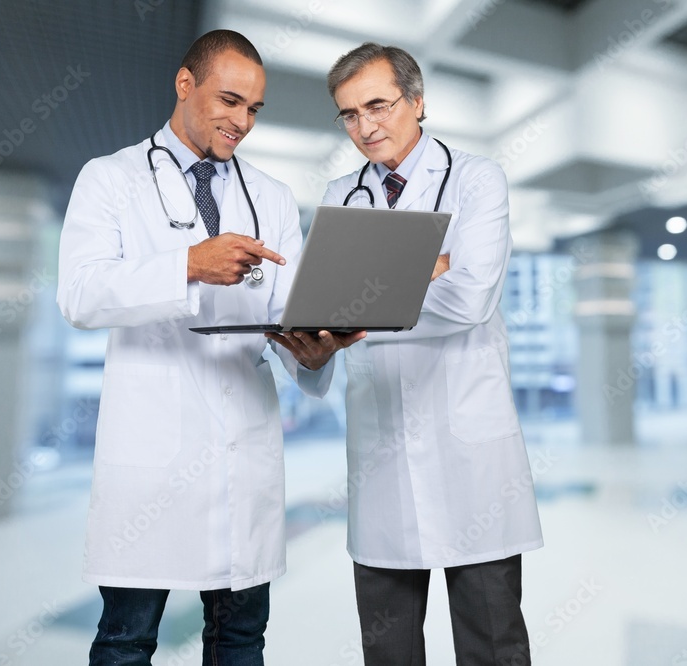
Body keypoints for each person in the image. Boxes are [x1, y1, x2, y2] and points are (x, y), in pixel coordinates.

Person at [57, 30, 362, 666]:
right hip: (152, 451)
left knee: (240, 639)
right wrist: (187, 265)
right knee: (126, 640)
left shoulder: (272, 197)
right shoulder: (110, 178)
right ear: (184, 84)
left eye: (253, 109)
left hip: (241, 451)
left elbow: (284, 316)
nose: (241, 122)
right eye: (229, 101)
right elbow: (80, 295)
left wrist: (314, 350)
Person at [315, 42, 544, 665]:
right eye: (350, 114)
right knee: (387, 651)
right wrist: (428, 265)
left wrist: (367, 296)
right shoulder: (341, 193)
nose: (365, 127)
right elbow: (329, 309)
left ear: (417, 102)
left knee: (492, 643)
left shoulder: (475, 178)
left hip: (469, 449)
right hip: (380, 453)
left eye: (378, 106)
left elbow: (469, 297)